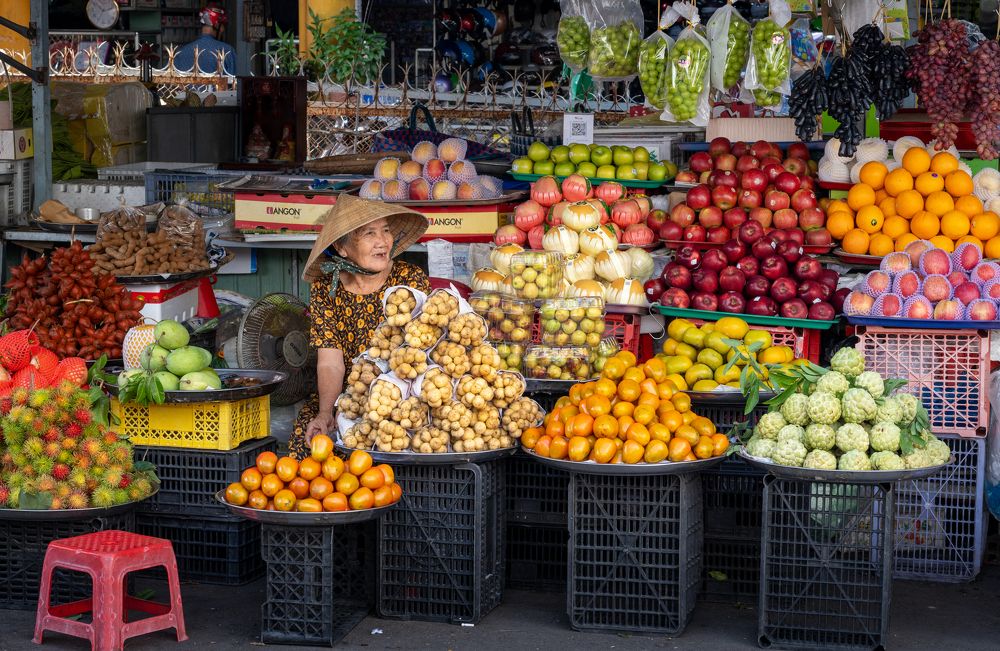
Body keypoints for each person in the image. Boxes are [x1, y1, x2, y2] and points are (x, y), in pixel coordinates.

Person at [289, 194, 430, 459]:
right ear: (342, 248)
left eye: (386, 230)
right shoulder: (326, 287)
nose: (383, 242)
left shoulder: (409, 280)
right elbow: (330, 361)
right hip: (346, 397)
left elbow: (419, 352)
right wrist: (326, 412)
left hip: (400, 394)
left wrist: (380, 399)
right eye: (369, 233)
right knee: (309, 445)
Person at [173, 3, 235, 75]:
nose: (223, 30)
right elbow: (235, 82)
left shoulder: (181, 52)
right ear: (217, 25)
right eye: (223, 26)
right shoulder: (227, 51)